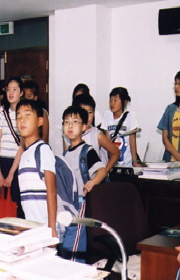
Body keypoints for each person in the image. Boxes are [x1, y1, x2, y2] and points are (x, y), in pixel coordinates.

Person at [62, 106, 107, 261]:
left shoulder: (87, 151)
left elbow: (102, 170)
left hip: (79, 205)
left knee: (73, 249)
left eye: (75, 122)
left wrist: (91, 183)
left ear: (83, 127)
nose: (69, 126)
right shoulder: (65, 154)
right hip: (67, 206)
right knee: (66, 245)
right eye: (66, 122)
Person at [16, 100, 57, 237]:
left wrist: (52, 228)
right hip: (33, 227)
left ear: (40, 121)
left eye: (27, 115)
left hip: (45, 227)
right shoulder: (24, 154)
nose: (22, 120)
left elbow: (51, 190)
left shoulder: (42, 150)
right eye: (18, 117)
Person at [0, 77, 24, 217]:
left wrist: (12, 173)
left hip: (17, 163)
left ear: (21, 93)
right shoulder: (2, 115)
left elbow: (22, 146)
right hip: (2, 162)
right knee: (3, 202)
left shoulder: (24, 115)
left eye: (15, 90)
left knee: (17, 203)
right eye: (8, 89)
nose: (11, 93)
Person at [69, 93, 120, 174]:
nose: (87, 116)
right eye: (83, 112)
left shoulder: (96, 134)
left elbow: (116, 153)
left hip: (95, 182)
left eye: (90, 112)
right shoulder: (70, 134)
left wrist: (104, 172)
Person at [157, 69, 180, 165]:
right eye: (175, 83)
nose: (176, 87)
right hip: (169, 161)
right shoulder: (170, 109)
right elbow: (165, 137)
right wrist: (177, 155)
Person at [104, 87, 141, 167]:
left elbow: (132, 139)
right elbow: (107, 139)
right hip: (111, 162)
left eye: (115, 100)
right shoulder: (106, 115)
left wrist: (134, 161)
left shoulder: (131, 116)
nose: (112, 103)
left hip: (127, 162)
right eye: (110, 100)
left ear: (124, 102)